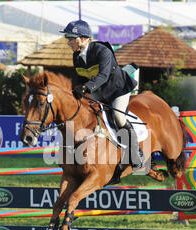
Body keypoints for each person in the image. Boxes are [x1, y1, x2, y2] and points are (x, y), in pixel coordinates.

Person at [60, 19, 143, 169]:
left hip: (118, 89)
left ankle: (136, 153)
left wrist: (85, 88)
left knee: (118, 117)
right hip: (98, 91)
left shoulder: (102, 51)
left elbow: (103, 76)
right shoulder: (76, 56)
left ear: (83, 39)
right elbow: (81, 77)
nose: (68, 43)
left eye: (71, 39)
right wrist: (77, 90)